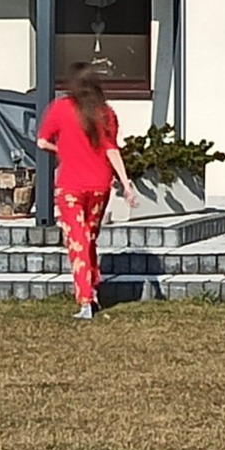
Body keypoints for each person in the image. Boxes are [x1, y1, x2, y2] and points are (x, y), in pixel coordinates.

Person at [36, 64, 137, 319]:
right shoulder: (105, 113)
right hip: (100, 186)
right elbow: (112, 149)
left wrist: (62, 151)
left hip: (70, 186)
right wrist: (126, 184)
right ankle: (93, 289)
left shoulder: (60, 108)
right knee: (89, 238)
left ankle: (85, 300)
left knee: (77, 241)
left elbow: (42, 141)